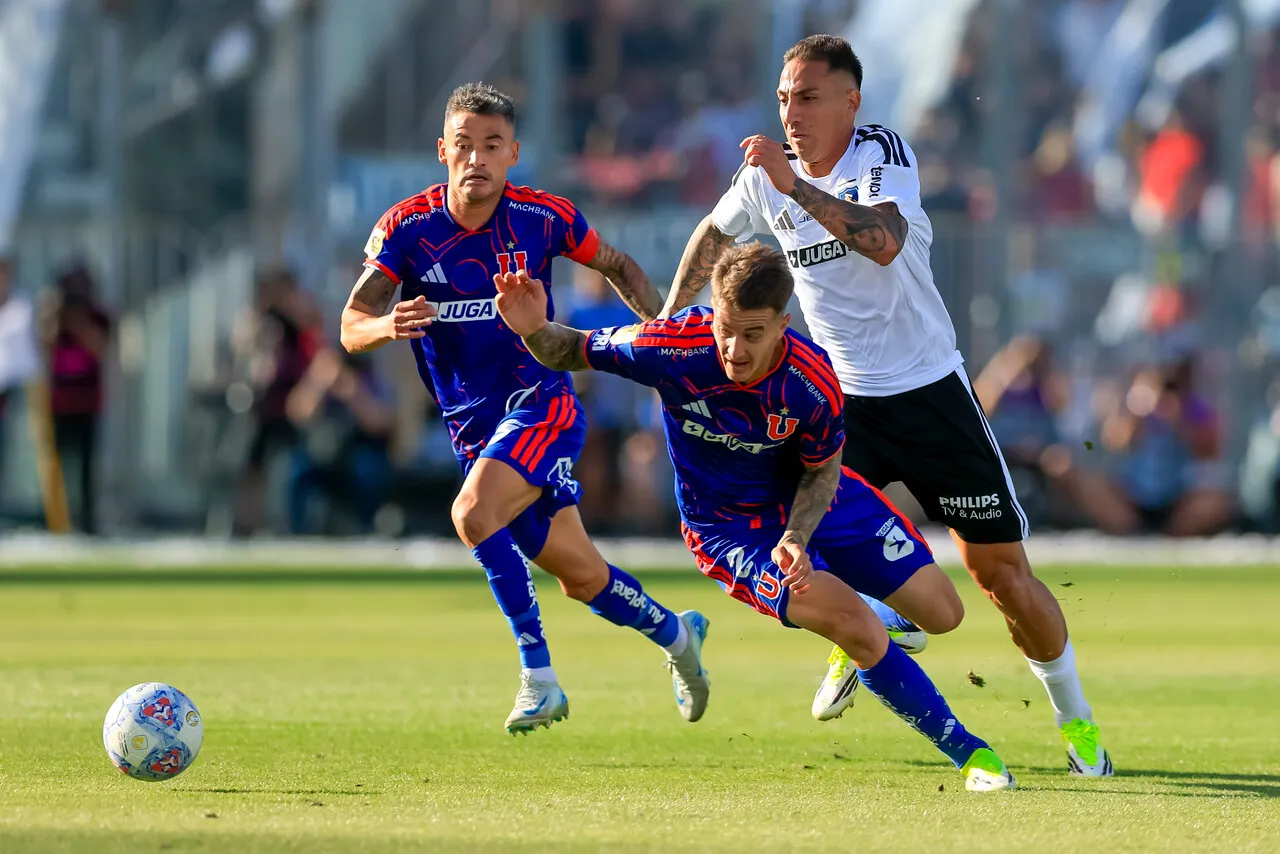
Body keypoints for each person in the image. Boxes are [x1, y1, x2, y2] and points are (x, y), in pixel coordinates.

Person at [661, 34, 1112, 776]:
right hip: (839, 406)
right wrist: (669, 324)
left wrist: (794, 186)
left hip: (930, 391)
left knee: (1002, 577)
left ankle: (1078, 723)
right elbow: (712, 237)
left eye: (807, 97)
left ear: (850, 101)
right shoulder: (761, 178)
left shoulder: (881, 154)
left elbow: (883, 242)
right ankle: (867, 628)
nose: (791, 112)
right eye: (783, 98)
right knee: (800, 547)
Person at [496, 242, 1015, 791]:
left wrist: (796, 534)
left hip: (816, 499)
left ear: (783, 325)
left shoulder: (812, 381)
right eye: (725, 328)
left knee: (943, 613)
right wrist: (532, 327)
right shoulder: (671, 347)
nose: (734, 348)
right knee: (853, 624)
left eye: (752, 334)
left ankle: (869, 623)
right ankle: (970, 754)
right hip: (729, 531)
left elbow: (822, 472)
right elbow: (572, 348)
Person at [339, 82, 709, 734]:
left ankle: (538, 676)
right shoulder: (407, 229)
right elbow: (350, 323)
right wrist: (386, 326)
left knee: (472, 513)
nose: (476, 158)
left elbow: (617, 264)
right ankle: (678, 636)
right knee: (582, 576)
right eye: (463, 145)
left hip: (541, 405)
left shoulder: (545, 218)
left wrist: (666, 333)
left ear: (513, 153)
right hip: (473, 428)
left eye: (491, 145)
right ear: (441, 152)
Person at [44, 262, 111, 535]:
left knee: (86, 465)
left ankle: (87, 522)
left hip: (87, 400)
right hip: (60, 400)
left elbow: (101, 347)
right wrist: (52, 315)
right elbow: (44, 347)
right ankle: (57, 520)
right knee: (55, 466)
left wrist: (78, 322)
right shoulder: (55, 315)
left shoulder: (97, 316)